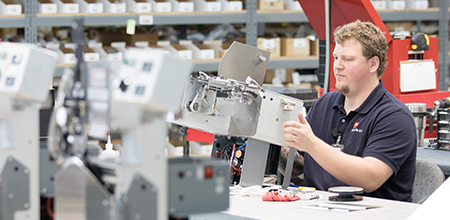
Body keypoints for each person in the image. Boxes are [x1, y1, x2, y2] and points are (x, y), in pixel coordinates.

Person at [280, 20, 417, 202]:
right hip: (318, 209)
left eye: (348, 59)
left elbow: (370, 177)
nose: (337, 66)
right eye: (336, 58)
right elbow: (298, 165)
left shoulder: (394, 117)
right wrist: (269, 136)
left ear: (373, 64)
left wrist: (313, 144)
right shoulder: (323, 105)